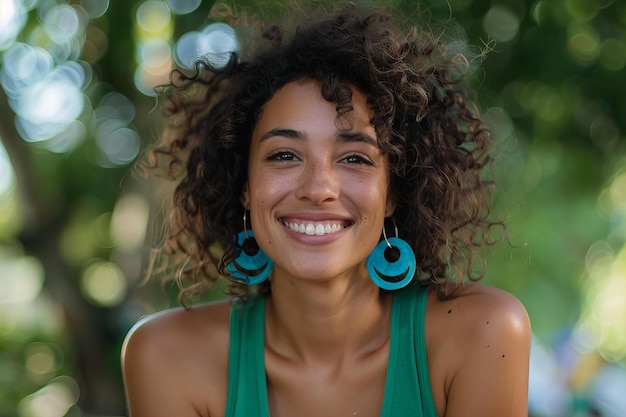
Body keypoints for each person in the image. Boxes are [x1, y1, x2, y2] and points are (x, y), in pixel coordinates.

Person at [121, 2, 531, 416]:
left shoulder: (483, 334)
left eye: (355, 158)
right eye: (283, 155)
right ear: (244, 186)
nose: (318, 188)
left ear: (393, 193)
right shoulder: (167, 356)